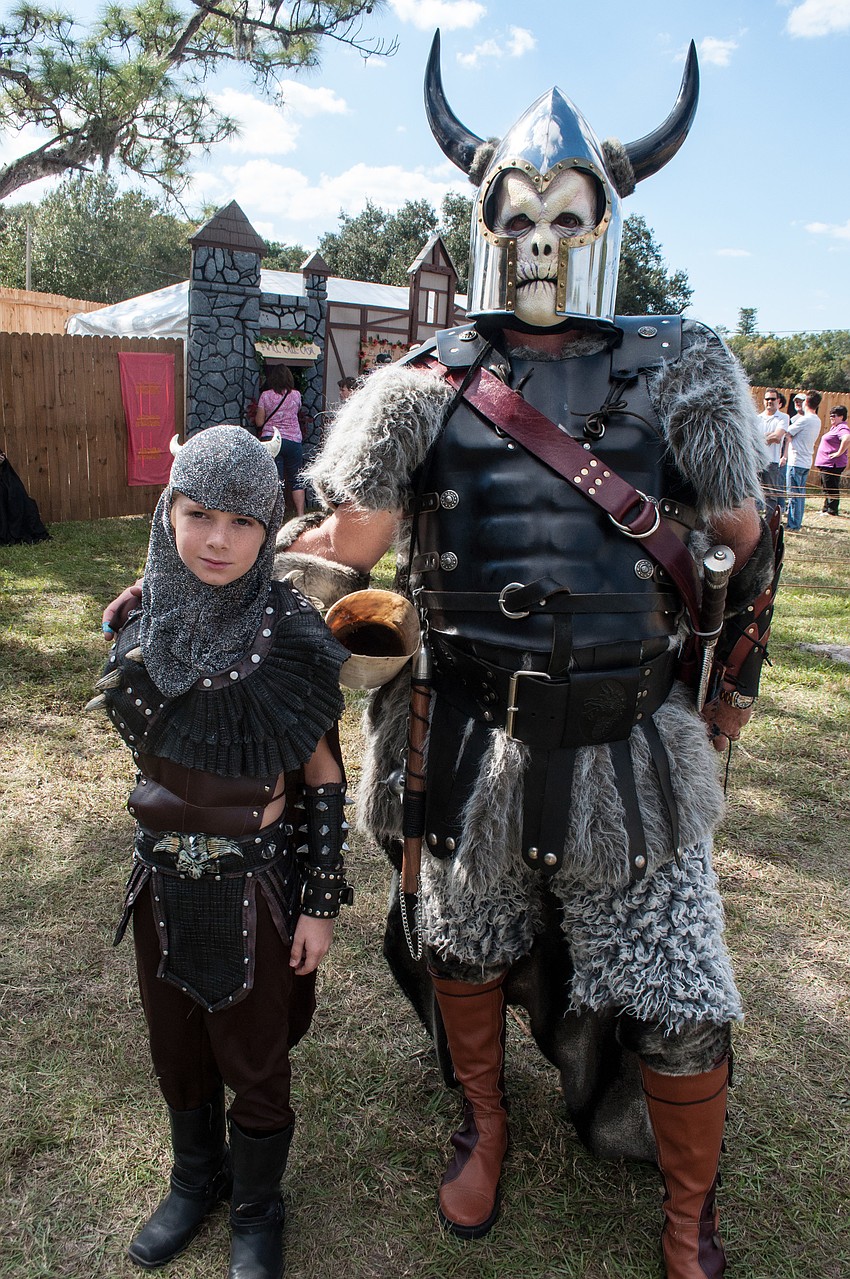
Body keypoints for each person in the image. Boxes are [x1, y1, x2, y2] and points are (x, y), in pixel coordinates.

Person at [103, 37, 782, 1279]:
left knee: (683, 990)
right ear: (483, 220)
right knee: (461, 943)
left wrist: (721, 707)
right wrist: (200, 599)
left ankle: (688, 1216)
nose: (537, 239)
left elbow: (746, 541)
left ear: (602, 221)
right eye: (515, 215)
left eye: (563, 215)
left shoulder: (680, 361)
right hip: (468, 735)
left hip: (631, 740)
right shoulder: (427, 378)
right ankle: (485, 1121)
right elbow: (348, 541)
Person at [93, 426, 350, 1279]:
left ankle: (255, 1206)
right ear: (170, 511)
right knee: (177, 1045)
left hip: (257, 886)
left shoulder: (295, 636)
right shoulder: (137, 622)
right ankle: (192, 1178)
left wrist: (318, 897)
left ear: (269, 523)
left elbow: (322, 776)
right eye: (198, 513)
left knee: (255, 1056)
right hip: (161, 880)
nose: (217, 539)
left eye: (243, 520)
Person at [256, 365, 306, 515]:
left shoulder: (265, 396)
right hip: (293, 440)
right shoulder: (296, 395)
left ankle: (274, 514)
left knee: (275, 479)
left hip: (271, 440)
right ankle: (300, 514)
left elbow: (259, 422)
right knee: (296, 478)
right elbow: (296, 412)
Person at [783, 390, 823, 530]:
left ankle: (793, 524)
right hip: (805, 461)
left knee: (793, 495)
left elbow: (787, 431)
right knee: (800, 494)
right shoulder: (817, 420)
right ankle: (796, 521)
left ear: (806, 402)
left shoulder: (805, 420)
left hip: (796, 461)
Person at [757, 387, 790, 516]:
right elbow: (749, 438)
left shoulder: (783, 417)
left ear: (778, 401)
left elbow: (777, 437)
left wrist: (759, 439)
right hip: (757, 461)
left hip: (772, 462)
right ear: (764, 401)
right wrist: (767, 437)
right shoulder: (757, 418)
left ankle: (769, 524)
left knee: (771, 496)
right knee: (753, 494)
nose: (770, 401)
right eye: (767, 399)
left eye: (772, 399)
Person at [815, 404, 850, 514]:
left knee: (831, 487)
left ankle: (832, 510)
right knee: (826, 487)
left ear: (841, 417)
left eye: (834, 415)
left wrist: (839, 453)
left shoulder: (842, 427)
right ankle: (826, 508)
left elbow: (847, 438)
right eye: (830, 415)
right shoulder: (835, 428)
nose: (831, 417)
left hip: (832, 464)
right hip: (826, 463)